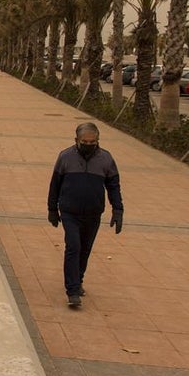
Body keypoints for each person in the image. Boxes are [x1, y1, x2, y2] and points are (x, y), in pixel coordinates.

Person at [47, 122, 123, 308]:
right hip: (69, 211)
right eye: (85, 141)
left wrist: (118, 209)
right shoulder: (65, 157)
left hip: (93, 212)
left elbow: (113, 185)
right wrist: (52, 210)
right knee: (73, 246)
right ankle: (72, 291)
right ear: (76, 140)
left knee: (85, 248)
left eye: (93, 142)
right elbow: (54, 184)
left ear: (98, 141)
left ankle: (78, 279)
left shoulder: (106, 159)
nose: (89, 145)